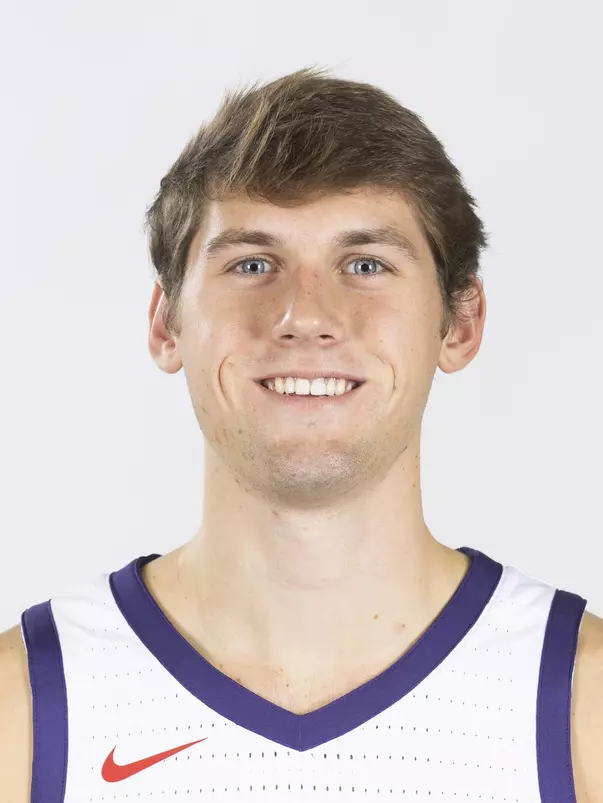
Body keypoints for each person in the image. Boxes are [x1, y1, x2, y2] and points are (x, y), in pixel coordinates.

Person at [1, 66, 601, 802]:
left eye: (365, 264)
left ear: (460, 322)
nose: (303, 314)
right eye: (252, 263)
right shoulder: (24, 708)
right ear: (166, 324)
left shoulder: (581, 699)